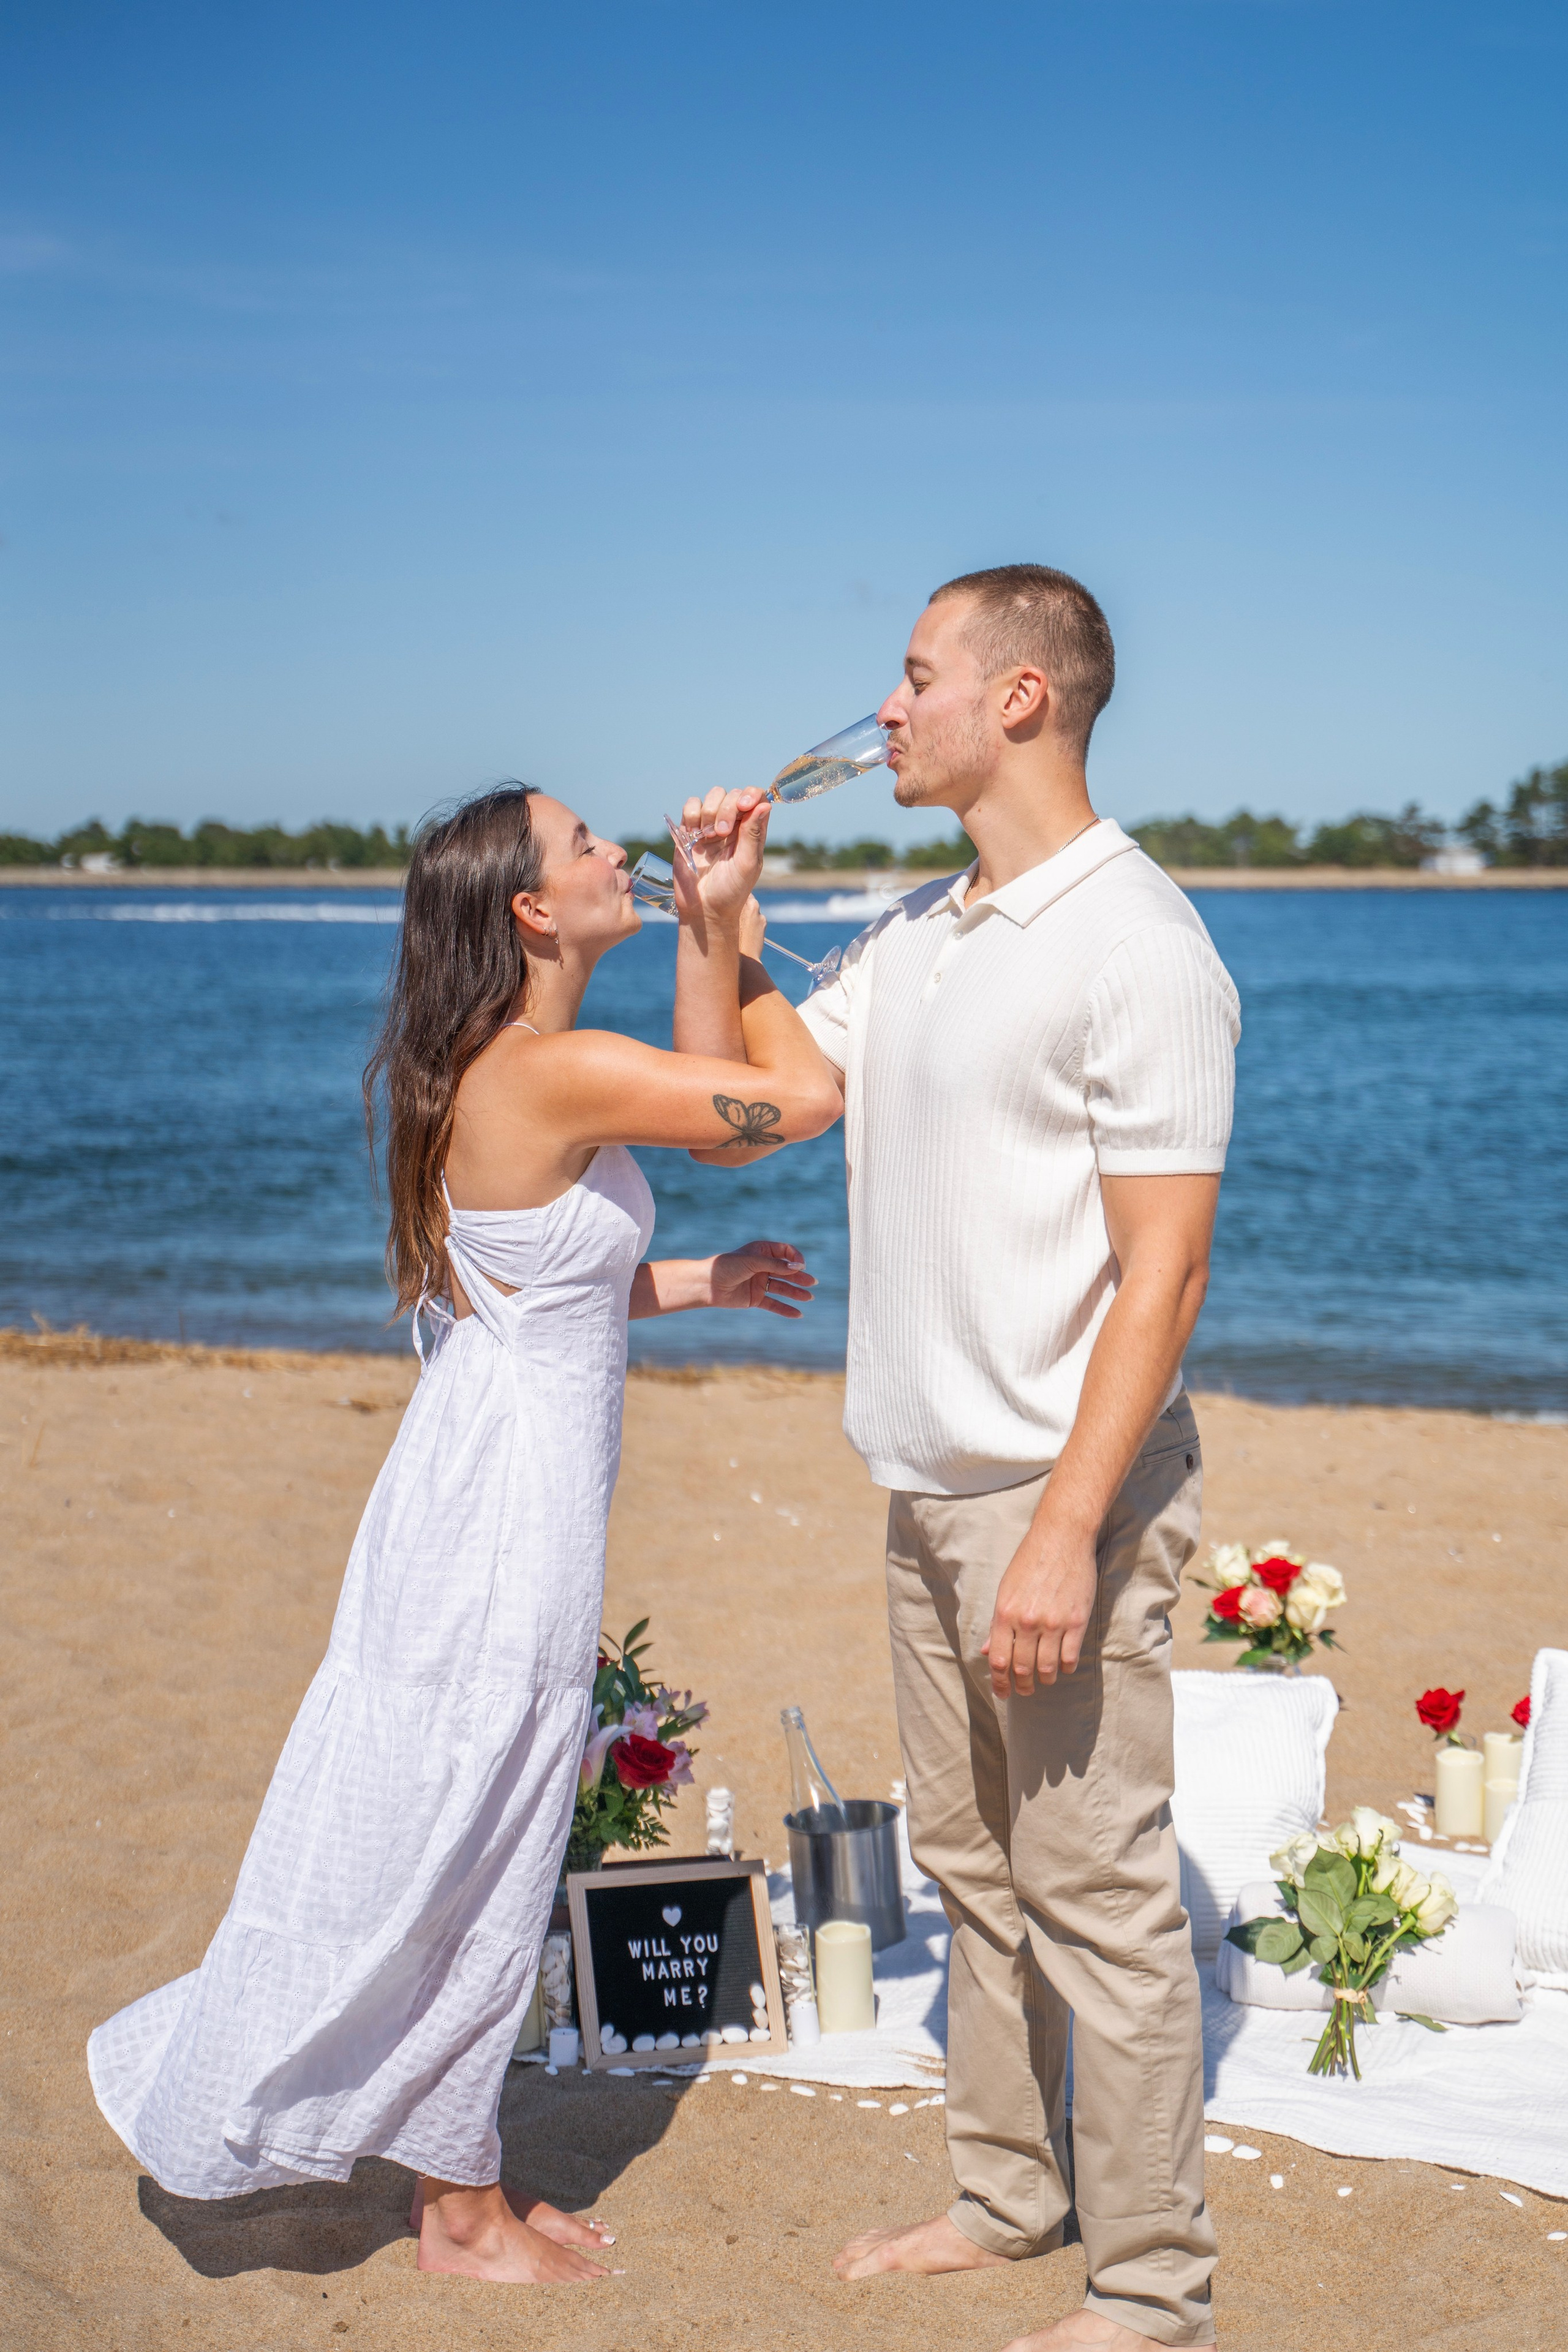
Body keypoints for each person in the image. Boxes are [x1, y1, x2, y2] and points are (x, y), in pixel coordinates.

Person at [87, 783, 839, 2285]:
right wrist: (732, 931)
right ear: (531, 910)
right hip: (504, 1516)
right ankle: (460, 2214)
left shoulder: (506, 1068)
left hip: (481, 1483)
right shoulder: (549, 1075)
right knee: (483, 1846)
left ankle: (454, 2184)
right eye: (585, 846)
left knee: (472, 1829)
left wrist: (702, 1281)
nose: (616, 847)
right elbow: (791, 1102)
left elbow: (552, 1278)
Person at [680, 565, 1240, 2350]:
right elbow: (746, 1118)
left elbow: (1167, 1270)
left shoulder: (1139, 944)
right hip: (920, 1491)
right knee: (972, 1871)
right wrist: (719, 923)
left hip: (1058, 1495)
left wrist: (1068, 1533)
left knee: (1094, 1888)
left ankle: (1153, 2288)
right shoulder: (924, 931)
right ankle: (1010, 2196)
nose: (886, 710)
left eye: (914, 678)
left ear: (1016, 699)